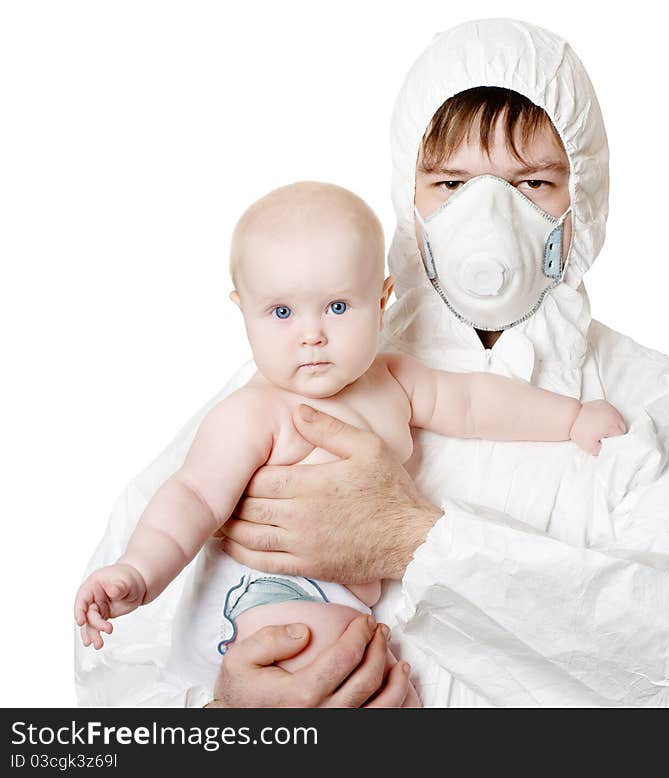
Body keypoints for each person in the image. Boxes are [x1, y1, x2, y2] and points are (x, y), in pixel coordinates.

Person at [75, 18, 669, 707]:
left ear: (582, 195)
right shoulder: (282, 386)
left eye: (531, 185)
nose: (487, 219)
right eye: (452, 186)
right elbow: (117, 659)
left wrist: (417, 540)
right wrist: (230, 720)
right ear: (410, 195)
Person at [73, 181, 625, 706]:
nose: (311, 334)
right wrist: (139, 573)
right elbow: (192, 498)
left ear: (381, 298)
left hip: (333, 602)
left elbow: (475, 405)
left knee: (382, 684)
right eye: (282, 312)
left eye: (338, 307)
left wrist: (571, 417)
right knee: (343, 666)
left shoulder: (394, 382)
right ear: (241, 308)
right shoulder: (255, 411)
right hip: (266, 597)